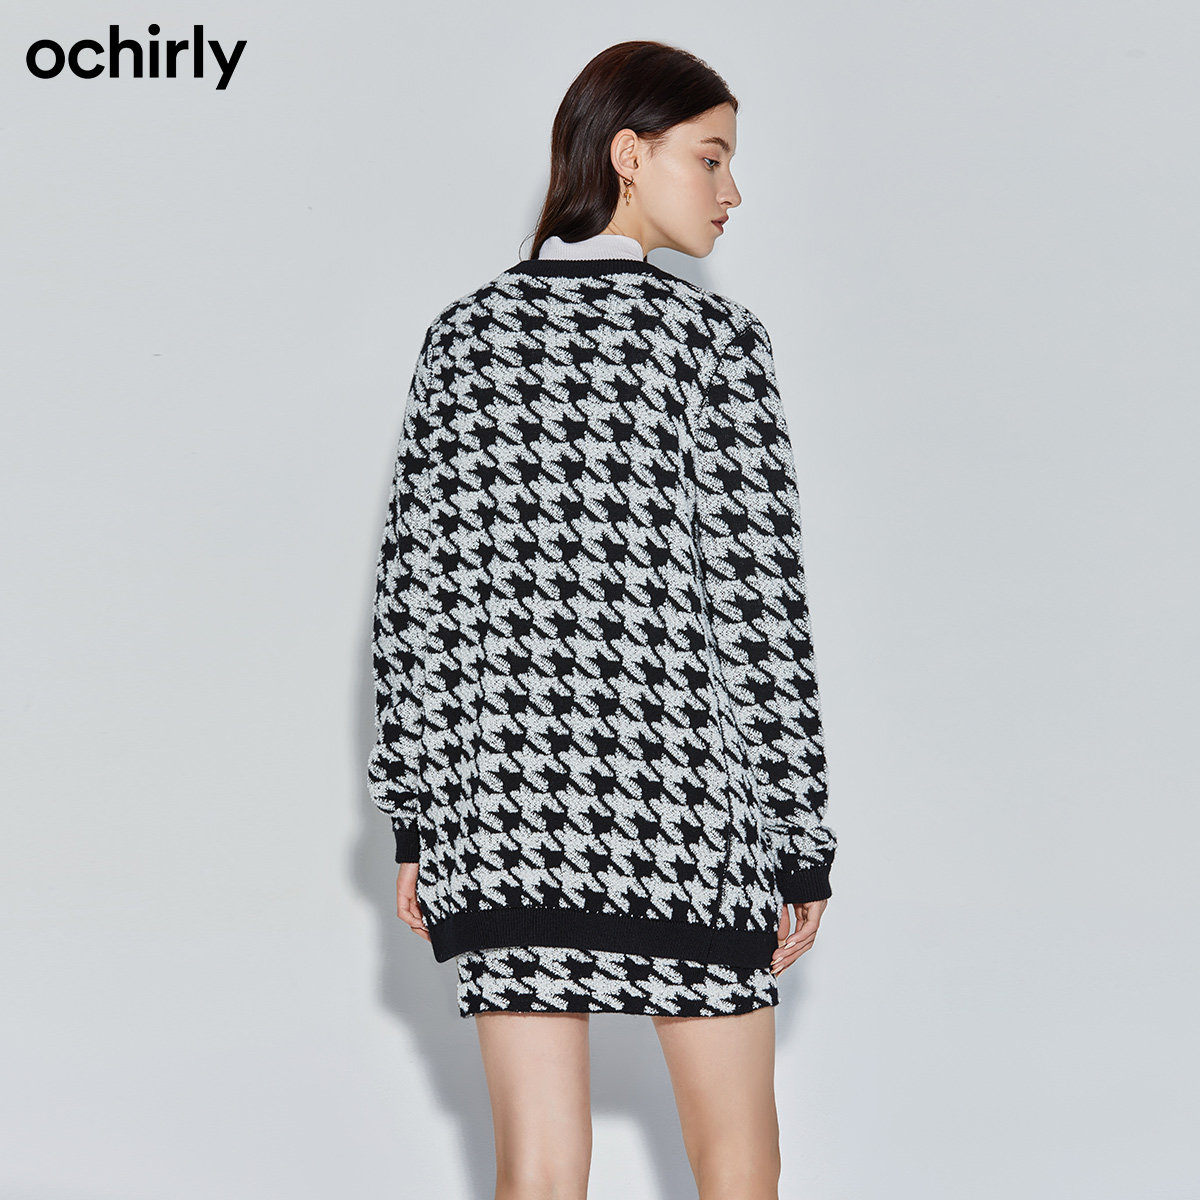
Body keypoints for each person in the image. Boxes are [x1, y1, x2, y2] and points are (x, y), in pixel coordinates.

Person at [368, 39, 837, 1200]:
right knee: (737, 1160)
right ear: (630, 155)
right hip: (683, 811)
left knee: (535, 1169)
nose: (732, 192)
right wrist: (799, 837)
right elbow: (760, 612)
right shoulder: (712, 344)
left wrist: (420, 821)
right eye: (711, 158)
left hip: (504, 817)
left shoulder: (465, 339)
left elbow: (417, 600)